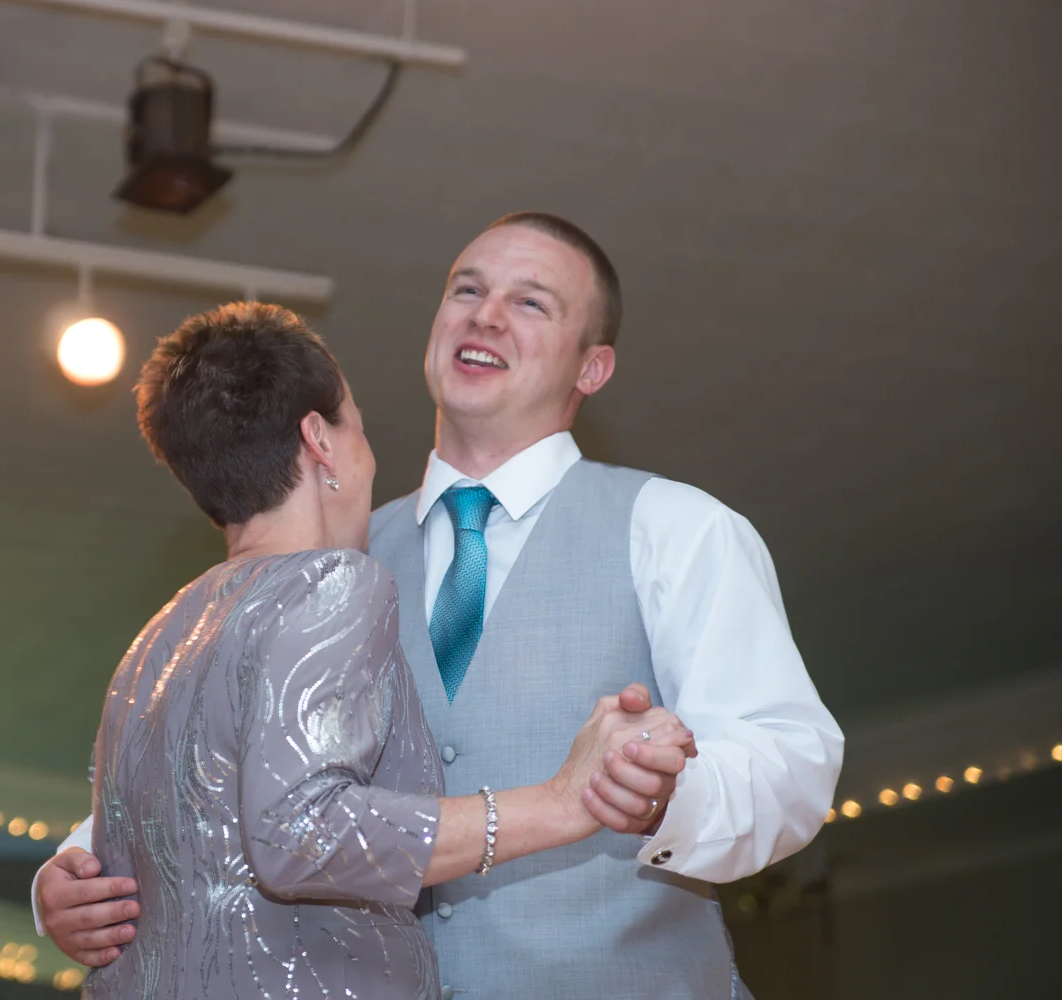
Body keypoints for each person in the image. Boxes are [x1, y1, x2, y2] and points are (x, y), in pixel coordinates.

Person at [39, 216, 845, 998]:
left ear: (592, 368)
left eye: (530, 302)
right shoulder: (326, 562)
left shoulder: (675, 527)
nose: (486, 314)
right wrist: (73, 874)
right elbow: (224, 759)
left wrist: (670, 796)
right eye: (467, 289)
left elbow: (791, 760)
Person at [69, 301, 695, 998]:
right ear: (320, 441)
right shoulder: (331, 582)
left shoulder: (157, 639)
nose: (369, 457)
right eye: (358, 429)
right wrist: (562, 801)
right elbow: (300, 832)